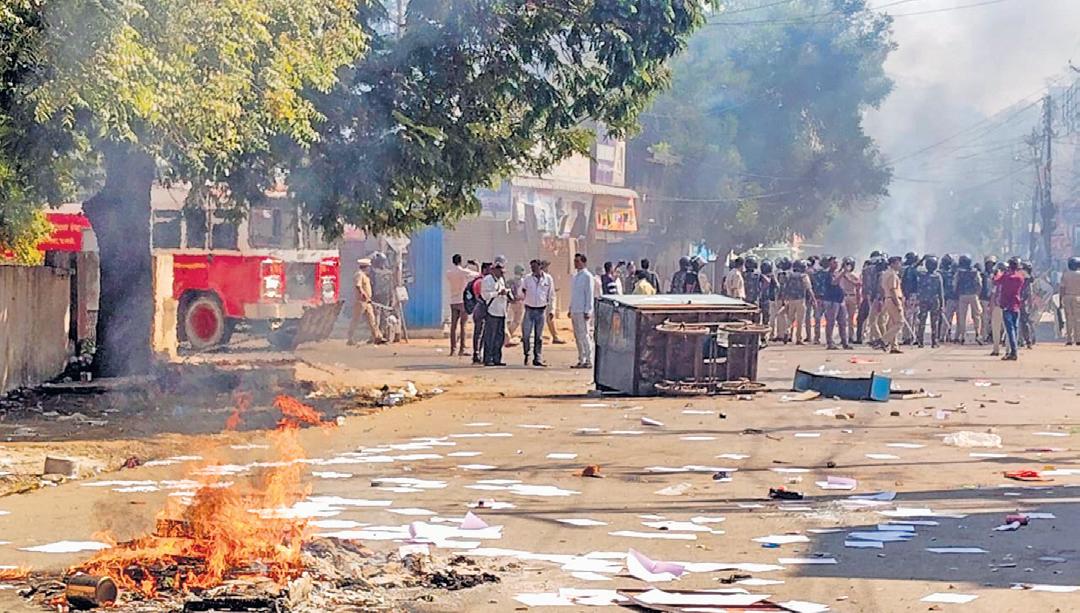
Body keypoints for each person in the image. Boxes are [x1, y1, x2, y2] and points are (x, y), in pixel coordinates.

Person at [520, 259, 555, 366]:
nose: (533, 269)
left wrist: (551, 309)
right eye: (532, 267)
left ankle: (538, 357)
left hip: (541, 310)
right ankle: (527, 354)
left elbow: (551, 295)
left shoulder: (548, 279)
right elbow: (521, 292)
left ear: (540, 267)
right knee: (526, 335)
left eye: (535, 267)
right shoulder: (527, 279)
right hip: (529, 310)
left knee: (538, 336)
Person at [347, 258, 385, 345]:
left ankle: (377, 337)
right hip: (360, 301)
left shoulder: (364, 275)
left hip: (367, 302)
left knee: (372, 320)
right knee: (356, 320)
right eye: (368, 267)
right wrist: (364, 295)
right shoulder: (359, 275)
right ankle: (350, 338)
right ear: (366, 267)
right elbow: (358, 286)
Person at [480, 261, 511, 366]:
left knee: (499, 337)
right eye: (500, 271)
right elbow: (485, 295)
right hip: (492, 311)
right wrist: (498, 293)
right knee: (490, 337)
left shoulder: (501, 280)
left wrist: (507, 293)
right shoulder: (487, 280)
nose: (502, 273)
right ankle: (488, 358)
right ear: (494, 270)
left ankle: (497, 358)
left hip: (501, 312)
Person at [446, 254, 477, 356]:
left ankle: (452, 349)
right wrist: (476, 264)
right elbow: (477, 274)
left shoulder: (449, 273)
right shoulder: (463, 272)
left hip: (453, 300)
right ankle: (462, 349)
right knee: (463, 326)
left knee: (453, 326)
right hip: (462, 301)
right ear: (460, 261)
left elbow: (459, 272)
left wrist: (464, 267)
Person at [995, 257, 1025, 360]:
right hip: (1016, 305)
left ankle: (1013, 352)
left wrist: (999, 272)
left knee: (1010, 330)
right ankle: (1014, 350)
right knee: (1015, 329)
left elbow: (996, 281)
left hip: (1006, 306)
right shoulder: (1020, 277)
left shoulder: (1006, 277)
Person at [569, 253, 596, 369]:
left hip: (583, 310)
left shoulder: (588, 276)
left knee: (584, 335)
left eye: (578, 261)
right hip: (575, 309)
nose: (575, 263)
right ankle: (581, 359)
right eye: (575, 261)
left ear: (583, 262)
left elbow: (589, 294)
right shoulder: (575, 277)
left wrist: (588, 310)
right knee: (577, 336)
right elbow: (574, 295)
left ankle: (589, 360)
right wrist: (570, 308)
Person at [780, 259, 814, 345]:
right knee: (800, 320)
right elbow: (809, 288)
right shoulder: (804, 276)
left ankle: (786, 331)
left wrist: (784, 299)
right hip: (800, 300)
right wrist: (814, 299)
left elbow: (785, 288)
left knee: (790, 318)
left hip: (791, 300)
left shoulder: (789, 276)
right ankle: (798, 338)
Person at [953, 254, 983, 345]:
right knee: (977, 315)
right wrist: (977, 294)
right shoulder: (975, 271)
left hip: (962, 295)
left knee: (962, 316)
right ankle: (978, 334)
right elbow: (979, 284)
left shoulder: (959, 272)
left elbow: (955, 284)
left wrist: (957, 293)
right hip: (973, 295)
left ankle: (962, 335)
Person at [822, 256, 851, 350]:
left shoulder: (837, 273)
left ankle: (844, 342)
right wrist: (843, 272)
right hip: (831, 300)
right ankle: (830, 343)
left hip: (839, 300)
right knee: (831, 322)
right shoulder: (828, 274)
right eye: (834, 262)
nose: (836, 264)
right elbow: (834, 283)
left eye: (836, 262)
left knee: (843, 322)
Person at [915, 255, 944, 348]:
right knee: (934, 322)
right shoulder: (937, 276)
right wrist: (942, 304)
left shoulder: (922, 274)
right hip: (934, 301)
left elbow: (913, 268)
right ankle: (934, 342)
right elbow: (941, 292)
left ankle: (920, 341)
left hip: (924, 300)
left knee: (922, 321)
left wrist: (922, 260)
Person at [880, 255, 905, 354]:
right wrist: (898, 304)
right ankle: (883, 340)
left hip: (888, 299)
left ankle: (894, 346)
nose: (900, 265)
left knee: (892, 324)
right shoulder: (892, 275)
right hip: (893, 299)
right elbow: (893, 290)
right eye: (898, 263)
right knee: (900, 322)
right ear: (893, 264)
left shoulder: (886, 274)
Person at [539, 260, 567, 345]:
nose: (547, 268)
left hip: (546, 302)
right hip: (540, 303)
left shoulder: (548, 277)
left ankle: (555, 336)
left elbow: (550, 292)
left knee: (550, 319)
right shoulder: (538, 277)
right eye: (545, 266)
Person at [470, 262, 492, 364]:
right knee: (479, 332)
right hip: (481, 308)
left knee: (482, 332)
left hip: (482, 308)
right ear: (484, 270)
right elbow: (481, 296)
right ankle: (477, 353)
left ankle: (479, 353)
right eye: (489, 269)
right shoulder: (481, 282)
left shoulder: (482, 280)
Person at [839, 257, 862, 339]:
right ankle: (845, 337)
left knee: (850, 319)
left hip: (851, 296)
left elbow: (858, 286)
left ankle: (850, 336)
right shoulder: (840, 274)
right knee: (843, 319)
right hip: (844, 296)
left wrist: (858, 301)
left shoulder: (854, 275)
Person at [900, 252, 920, 345]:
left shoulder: (905, 269)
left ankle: (908, 336)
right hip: (913, 295)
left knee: (910, 317)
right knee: (913, 317)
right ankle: (911, 336)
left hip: (910, 295)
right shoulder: (911, 270)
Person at [505, 264, 527, 347]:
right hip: (519, 302)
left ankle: (508, 335)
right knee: (517, 321)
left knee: (512, 320)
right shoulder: (522, 281)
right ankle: (507, 336)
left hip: (511, 302)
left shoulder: (511, 280)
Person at [988, 262, 1006, 356]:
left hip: (997, 306)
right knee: (1008, 330)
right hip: (1007, 307)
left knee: (996, 329)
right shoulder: (1011, 279)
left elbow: (993, 294)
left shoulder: (997, 280)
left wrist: (991, 307)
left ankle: (996, 349)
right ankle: (1008, 350)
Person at [1061, 256, 1080, 346]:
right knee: (1078, 319)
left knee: (1068, 319)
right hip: (1078, 297)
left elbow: (1062, 288)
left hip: (1067, 297)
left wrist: (1061, 299)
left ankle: (1069, 339)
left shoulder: (1065, 274)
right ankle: (1078, 339)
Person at [940, 254, 958, 342]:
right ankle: (943, 335)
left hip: (956, 298)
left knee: (954, 319)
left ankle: (953, 336)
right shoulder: (945, 274)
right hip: (949, 298)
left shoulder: (958, 275)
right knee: (947, 318)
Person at [980, 256, 998, 342]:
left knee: (993, 318)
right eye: (988, 264)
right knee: (984, 318)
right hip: (984, 298)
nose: (990, 266)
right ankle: (984, 336)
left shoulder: (996, 274)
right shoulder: (982, 274)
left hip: (994, 299)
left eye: (991, 264)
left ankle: (992, 335)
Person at [1020, 261, 1037, 348]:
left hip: (1024, 302)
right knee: (1025, 322)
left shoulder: (1028, 279)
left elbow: (1030, 293)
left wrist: (1030, 303)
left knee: (1025, 322)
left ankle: (1028, 340)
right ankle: (1026, 340)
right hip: (1022, 302)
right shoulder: (1026, 278)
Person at [758, 259, 775, 328]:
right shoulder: (759, 276)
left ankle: (763, 335)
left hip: (766, 299)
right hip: (762, 299)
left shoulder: (770, 277)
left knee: (766, 317)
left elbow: (776, 286)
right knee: (760, 317)